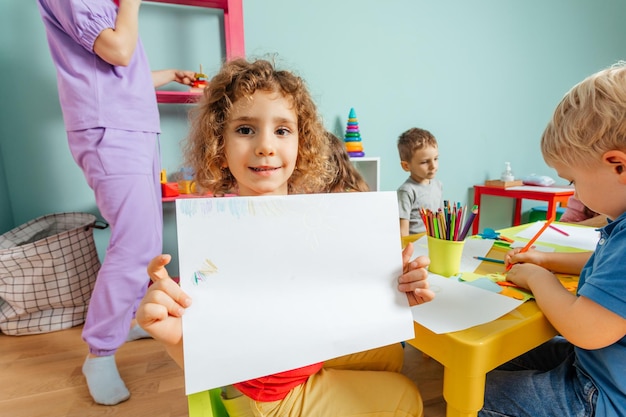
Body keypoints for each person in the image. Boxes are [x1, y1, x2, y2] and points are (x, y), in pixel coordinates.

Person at [136, 58, 435, 417]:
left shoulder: (312, 219)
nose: (265, 145)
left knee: (389, 355)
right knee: (407, 397)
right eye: (245, 129)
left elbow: (338, 292)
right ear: (219, 143)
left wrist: (392, 286)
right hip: (270, 394)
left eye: (282, 130)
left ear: (302, 141)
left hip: (308, 353)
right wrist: (173, 335)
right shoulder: (214, 236)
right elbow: (208, 348)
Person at [37, 0, 197, 406]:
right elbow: (118, 49)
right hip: (110, 127)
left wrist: (166, 75)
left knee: (148, 238)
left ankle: (126, 318)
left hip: (133, 126)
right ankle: (100, 352)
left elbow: (120, 67)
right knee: (136, 243)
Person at [480, 63, 626, 417]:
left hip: (602, 396)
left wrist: (537, 277)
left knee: (477, 393)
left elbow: (585, 329)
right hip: (599, 367)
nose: (573, 190)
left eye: (573, 180)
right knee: (492, 358)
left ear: (618, 166)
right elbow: (608, 271)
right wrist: (547, 260)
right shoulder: (619, 226)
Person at [396, 127, 443, 237]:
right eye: (424, 162)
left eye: (436, 159)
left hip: (434, 244)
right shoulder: (407, 191)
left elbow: (441, 219)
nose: (433, 166)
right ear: (406, 166)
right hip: (416, 248)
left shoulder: (438, 185)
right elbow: (403, 232)